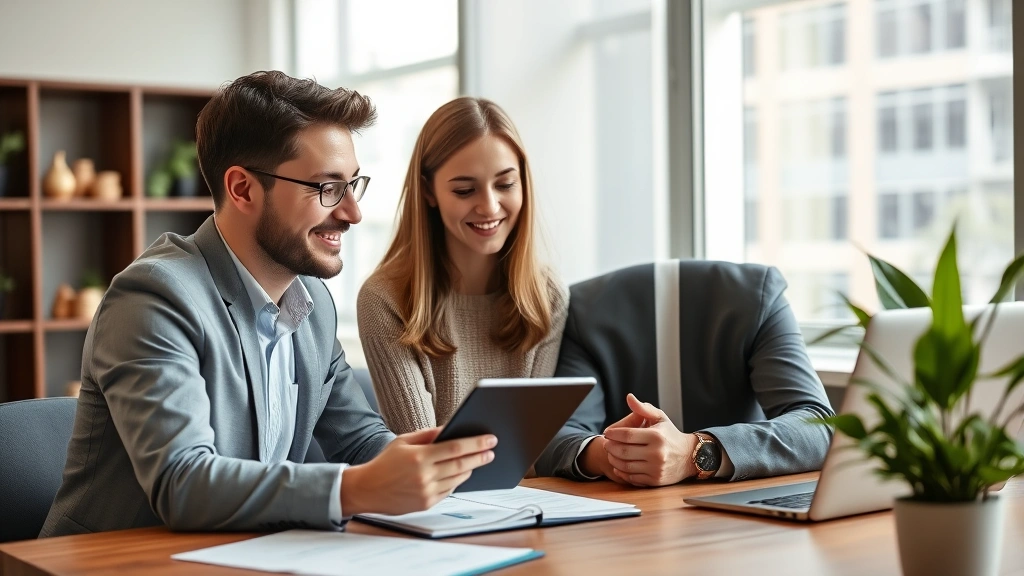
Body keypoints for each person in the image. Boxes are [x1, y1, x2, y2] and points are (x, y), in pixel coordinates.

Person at [39, 71, 496, 538]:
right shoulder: (155, 298)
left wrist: (433, 460)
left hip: (246, 555)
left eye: (352, 185)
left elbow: (359, 441)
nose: (352, 213)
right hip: (117, 563)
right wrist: (355, 488)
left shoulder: (311, 304)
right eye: (327, 188)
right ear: (242, 189)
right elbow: (183, 483)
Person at [357, 97, 568, 435]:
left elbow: (534, 452)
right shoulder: (385, 299)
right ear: (428, 192)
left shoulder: (547, 296)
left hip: (528, 488)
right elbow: (424, 456)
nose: (489, 206)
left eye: (505, 184)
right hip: (438, 488)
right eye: (465, 190)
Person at [533, 260, 835, 485]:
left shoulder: (760, 296)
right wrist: (610, 455)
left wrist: (695, 453)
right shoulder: (582, 313)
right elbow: (552, 437)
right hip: (629, 519)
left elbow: (819, 426)